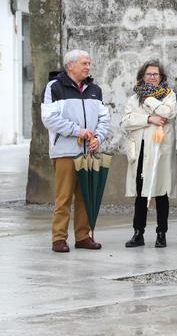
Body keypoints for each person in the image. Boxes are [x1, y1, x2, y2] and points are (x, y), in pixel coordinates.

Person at [41, 49, 109, 253]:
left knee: (85, 196)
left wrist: (98, 137)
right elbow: (49, 119)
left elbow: (105, 118)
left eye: (89, 63)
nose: (88, 67)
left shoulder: (95, 89)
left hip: (88, 152)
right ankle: (59, 238)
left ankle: (83, 236)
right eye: (84, 63)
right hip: (64, 152)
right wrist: (77, 131)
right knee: (64, 197)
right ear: (70, 65)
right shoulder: (54, 87)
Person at [121, 60, 177, 248]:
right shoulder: (133, 98)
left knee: (161, 192)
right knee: (141, 193)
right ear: (142, 76)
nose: (152, 78)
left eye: (156, 74)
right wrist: (148, 119)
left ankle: (161, 233)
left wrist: (148, 99)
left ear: (161, 77)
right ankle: (138, 233)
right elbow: (126, 121)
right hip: (141, 150)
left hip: (160, 150)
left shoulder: (169, 95)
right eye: (148, 74)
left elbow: (167, 113)